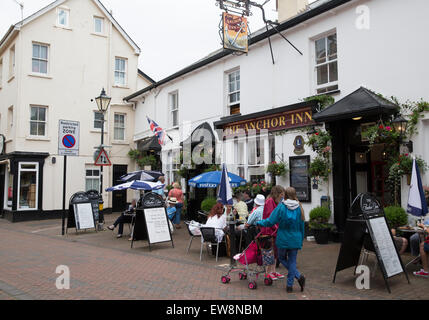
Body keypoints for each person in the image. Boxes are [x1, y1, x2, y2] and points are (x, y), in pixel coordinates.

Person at [256, 187, 306, 293]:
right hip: (295, 238)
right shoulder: (299, 207)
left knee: (282, 258)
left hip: (283, 237)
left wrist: (259, 223)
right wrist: (301, 239)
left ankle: (298, 276)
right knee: (292, 261)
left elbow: (270, 221)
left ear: (285, 195)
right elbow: (302, 226)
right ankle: (289, 286)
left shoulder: (281, 206)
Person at [259, 185, 285, 281]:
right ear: (277, 194)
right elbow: (271, 218)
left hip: (274, 230)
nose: (283, 197)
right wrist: (277, 227)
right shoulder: (270, 202)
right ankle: (267, 273)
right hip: (269, 231)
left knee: (274, 252)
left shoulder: (275, 202)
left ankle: (273, 271)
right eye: (281, 195)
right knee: (269, 252)